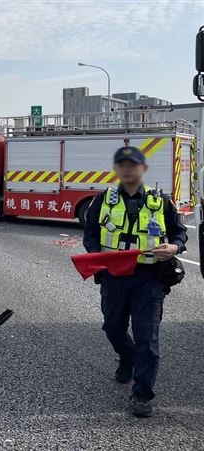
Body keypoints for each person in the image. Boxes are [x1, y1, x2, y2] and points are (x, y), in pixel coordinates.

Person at [82, 146, 188, 418]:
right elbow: (90, 233)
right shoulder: (104, 199)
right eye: (122, 165)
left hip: (148, 278)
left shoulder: (160, 200)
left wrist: (174, 248)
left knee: (148, 340)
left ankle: (142, 394)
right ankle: (126, 356)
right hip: (114, 277)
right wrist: (97, 256)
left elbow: (179, 233)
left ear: (143, 169)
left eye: (134, 165)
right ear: (116, 169)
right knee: (112, 328)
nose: (128, 169)